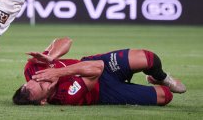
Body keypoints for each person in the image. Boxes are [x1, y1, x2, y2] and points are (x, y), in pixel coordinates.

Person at [12, 37, 186, 106]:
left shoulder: (33, 68)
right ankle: (160, 87)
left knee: (148, 59)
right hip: (104, 91)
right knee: (165, 96)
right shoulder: (66, 97)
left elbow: (65, 40)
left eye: (37, 80)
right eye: (43, 86)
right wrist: (57, 73)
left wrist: (51, 56)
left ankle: (161, 78)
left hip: (97, 64)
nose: (44, 79)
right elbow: (96, 69)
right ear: (44, 100)